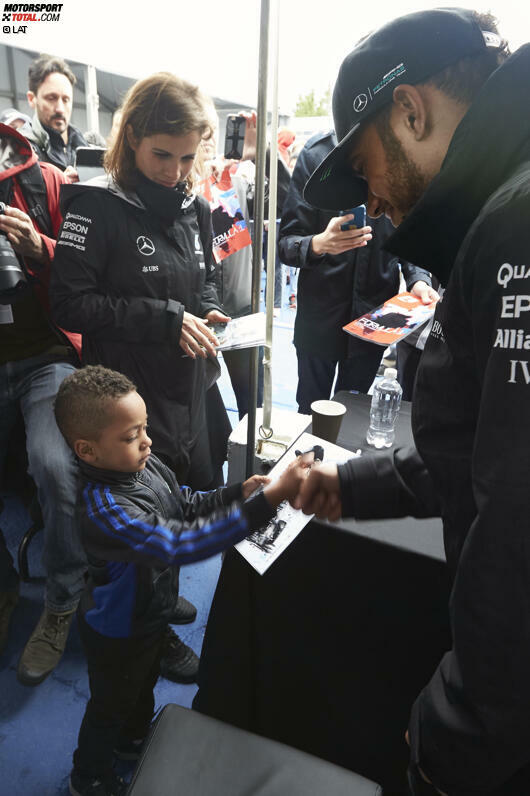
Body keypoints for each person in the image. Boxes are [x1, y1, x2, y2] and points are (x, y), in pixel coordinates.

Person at [299, 8, 530, 794]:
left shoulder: (515, 224)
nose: (372, 202)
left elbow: (517, 517)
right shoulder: (501, 211)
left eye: (365, 169)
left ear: (409, 110)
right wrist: (338, 485)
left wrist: (460, 724)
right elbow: (470, 453)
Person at [50, 72, 233, 684]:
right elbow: (70, 305)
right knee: (135, 524)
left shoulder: (195, 207)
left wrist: (205, 308)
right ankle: (148, 638)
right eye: (162, 154)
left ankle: (165, 593)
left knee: (175, 496)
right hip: (123, 397)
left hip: (184, 388)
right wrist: (163, 318)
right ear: (130, 137)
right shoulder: (93, 206)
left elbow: (203, 283)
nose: (175, 171)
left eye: (187, 157)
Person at [53, 364, 311, 796]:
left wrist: (235, 493)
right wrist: (262, 506)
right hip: (119, 632)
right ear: (87, 450)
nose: (148, 441)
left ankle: (134, 740)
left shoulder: (144, 465)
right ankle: (89, 775)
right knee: (110, 705)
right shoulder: (105, 510)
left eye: (145, 427)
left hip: (149, 614)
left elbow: (183, 503)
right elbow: (178, 542)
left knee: (143, 686)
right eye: (131, 436)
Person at [0, 121, 86, 685]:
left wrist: (39, 246)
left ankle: (62, 601)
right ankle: (5, 586)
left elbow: (86, 275)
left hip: (44, 356)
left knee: (55, 466)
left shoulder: (47, 180)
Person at [278, 130, 435, 413]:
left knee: (354, 413)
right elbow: (286, 243)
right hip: (320, 318)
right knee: (309, 411)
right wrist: (318, 244)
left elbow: (409, 230)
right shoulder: (316, 155)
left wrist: (418, 278)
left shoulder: (398, 150)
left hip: (374, 321)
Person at [23, 54, 87, 176]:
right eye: (51, 98)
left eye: (66, 99)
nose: (60, 109)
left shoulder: (87, 150)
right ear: (32, 99)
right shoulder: (20, 152)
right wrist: (59, 186)